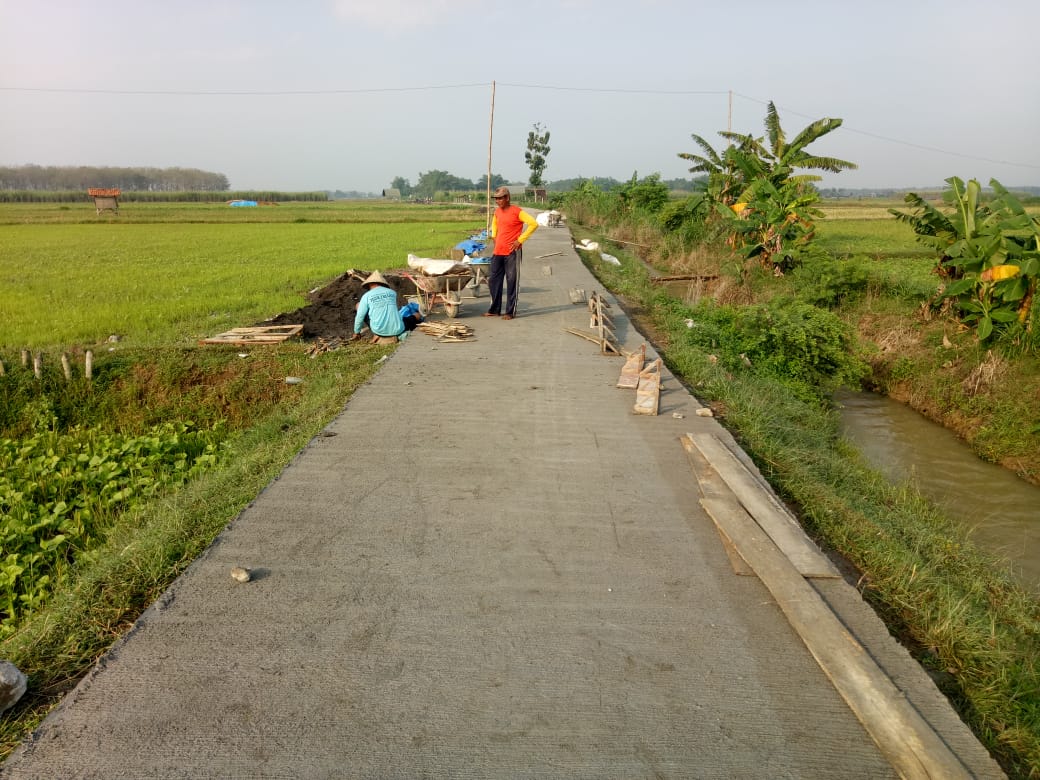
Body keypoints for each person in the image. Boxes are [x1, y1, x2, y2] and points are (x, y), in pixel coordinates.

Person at [485, 186, 538, 320]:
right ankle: (495, 309)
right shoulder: (497, 212)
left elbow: (533, 224)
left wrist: (520, 240)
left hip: (512, 252)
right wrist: (494, 236)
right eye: (496, 199)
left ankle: (509, 311)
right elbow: (495, 224)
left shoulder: (517, 212)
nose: (497, 201)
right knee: (493, 280)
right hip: (498, 251)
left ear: (507, 198)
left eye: (500, 198)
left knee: (511, 281)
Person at [352, 271, 405, 343]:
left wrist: (356, 332)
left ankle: (376, 334)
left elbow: (360, 316)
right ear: (382, 284)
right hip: (399, 329)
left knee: (358, 305)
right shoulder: (392, 292)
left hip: (380, 331)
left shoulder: (367, 296)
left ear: (370, 284)